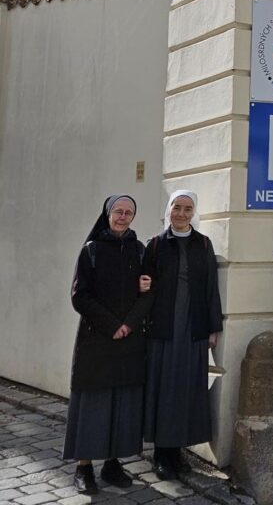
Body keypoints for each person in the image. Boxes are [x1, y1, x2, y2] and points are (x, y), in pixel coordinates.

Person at [63, 195, 151, 494]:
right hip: (96, 341)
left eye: (128, 212)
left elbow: (149, 292)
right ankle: (84, 467)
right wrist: (112, 325)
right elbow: (79, 296)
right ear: (108, 214)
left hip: (129, 342)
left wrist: (129, 324)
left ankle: (113, 464)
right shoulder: (91, 250)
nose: (123, 217)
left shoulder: (140, 250)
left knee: (122, 404)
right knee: (92, 405)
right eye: (118, 211)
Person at [143, 189, 223, 481]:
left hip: (193, 328)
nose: (181, 213)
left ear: (194, 213)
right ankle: (161, 453)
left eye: (188, 209)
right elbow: (144, 288)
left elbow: (211, 288)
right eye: (177, 207)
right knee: (164, 389)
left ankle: (177, 451)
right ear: (169, 209)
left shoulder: (203, 244)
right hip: (164, 329)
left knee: (187, 388)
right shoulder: (155, 245)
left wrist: (213, 327)